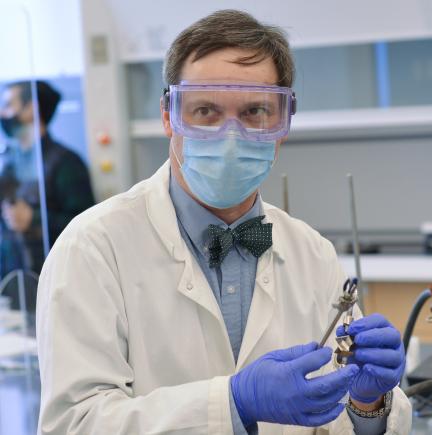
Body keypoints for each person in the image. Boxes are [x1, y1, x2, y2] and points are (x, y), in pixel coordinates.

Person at [36, 10, 411, 434]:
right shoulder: (92, 249)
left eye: (255, 111)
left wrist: (368, 403)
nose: (230, 134)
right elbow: (75, 424)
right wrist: (231, 404)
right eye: (205, 111)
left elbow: (343, 421)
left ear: (282, 124)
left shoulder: (311, 253)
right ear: (168, 115)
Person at [0, 80, 94, 309]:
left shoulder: (65, 163)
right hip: (13, 288)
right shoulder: (9, 163)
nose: (2, 113)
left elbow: (86, 227)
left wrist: (32, 219)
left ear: (31, 108)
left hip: (57, 288)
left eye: (8, 105)